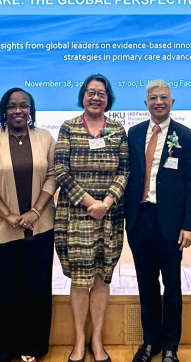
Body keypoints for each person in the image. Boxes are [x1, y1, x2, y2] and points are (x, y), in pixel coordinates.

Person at [0, 88, 57, 362]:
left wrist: (35, 211)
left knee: (36, 289)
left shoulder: (45, 138)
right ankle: (3, 350)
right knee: (2, 291)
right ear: (3, 111)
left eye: (23, 105)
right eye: (11, 106)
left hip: (39, 228)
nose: (18, 110)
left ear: (31, 109)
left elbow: (53, 175)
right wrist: (8, 216)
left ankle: (32, 346)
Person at [55, 74, 129, 362]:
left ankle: (96, 340)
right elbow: (61, 170)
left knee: (101, 277)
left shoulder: (117, 130)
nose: (96, 97)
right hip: (76, 214)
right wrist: (90, 203)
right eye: (90, 92)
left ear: (108, 98)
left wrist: (106, 203)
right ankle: (78, 341)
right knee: (79, 279)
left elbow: (124, 171)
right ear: (82, 96)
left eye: (101, 93)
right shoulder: (69, 127)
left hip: (109, 216)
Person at [124, 80, 191, 362]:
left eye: (164, 97)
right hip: (139, 219)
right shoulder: (133, 134)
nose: (159, 102)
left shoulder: (186, 137)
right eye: (153, 98)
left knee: (172, 285)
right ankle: (150, 342)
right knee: (146, 283)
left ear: (172, 102)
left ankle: (170, 346)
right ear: (146, 103)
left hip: (171, 223)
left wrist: (189, 225)